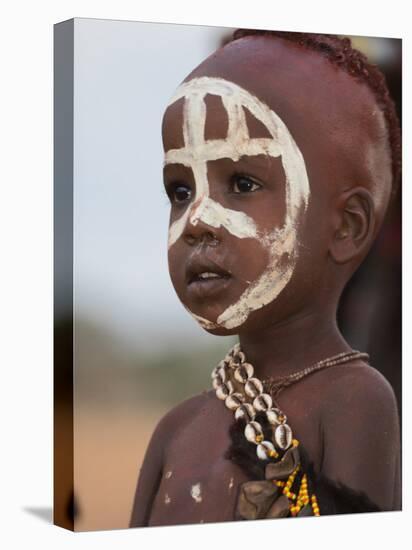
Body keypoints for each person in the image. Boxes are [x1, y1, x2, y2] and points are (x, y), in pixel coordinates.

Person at [130, 30, 401, 527]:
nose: (197, 221)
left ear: (346, 227)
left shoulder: (354, 400)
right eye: (181, 190)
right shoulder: (175, 431)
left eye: (242, 183)